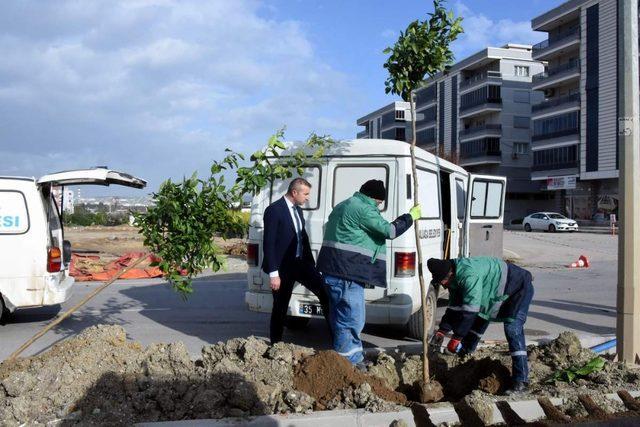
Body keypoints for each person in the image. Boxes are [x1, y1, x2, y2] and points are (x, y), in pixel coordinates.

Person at [317, 179, 421, 367]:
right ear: (374, 198)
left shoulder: (343, 205)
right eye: (379, 203)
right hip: (347, 273)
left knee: (341, 318)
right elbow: (389, 230)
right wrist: (410, 217)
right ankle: (350, 363)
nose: (378, 207)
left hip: (334, 271)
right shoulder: (364, 208)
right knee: (352, 320)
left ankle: (344, 361)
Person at [427, 256, 535, 395]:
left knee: (512, 329)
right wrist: (442, 330)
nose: (443, 285)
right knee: (480, 320)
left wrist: (457, 337)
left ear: (451, 274)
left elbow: (470, 311)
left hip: (518, 287)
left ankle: (521, 381)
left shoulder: (469, 275)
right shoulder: (454, 280)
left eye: (443, 281)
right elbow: (454, 307)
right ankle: (464, 357)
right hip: (494, 293)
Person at [262, 177, 330, 344]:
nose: (307, 198)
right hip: (282, 268)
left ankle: (336, 336)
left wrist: (312, 265)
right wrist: (273, 274)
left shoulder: (298, 210)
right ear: (294, 192)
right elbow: (269, 243)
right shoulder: (274, 210)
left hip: (300, 264)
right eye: (305, 194)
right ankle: (275, 345)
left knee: (325, 292)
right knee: (280, 307)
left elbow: (302, 237)